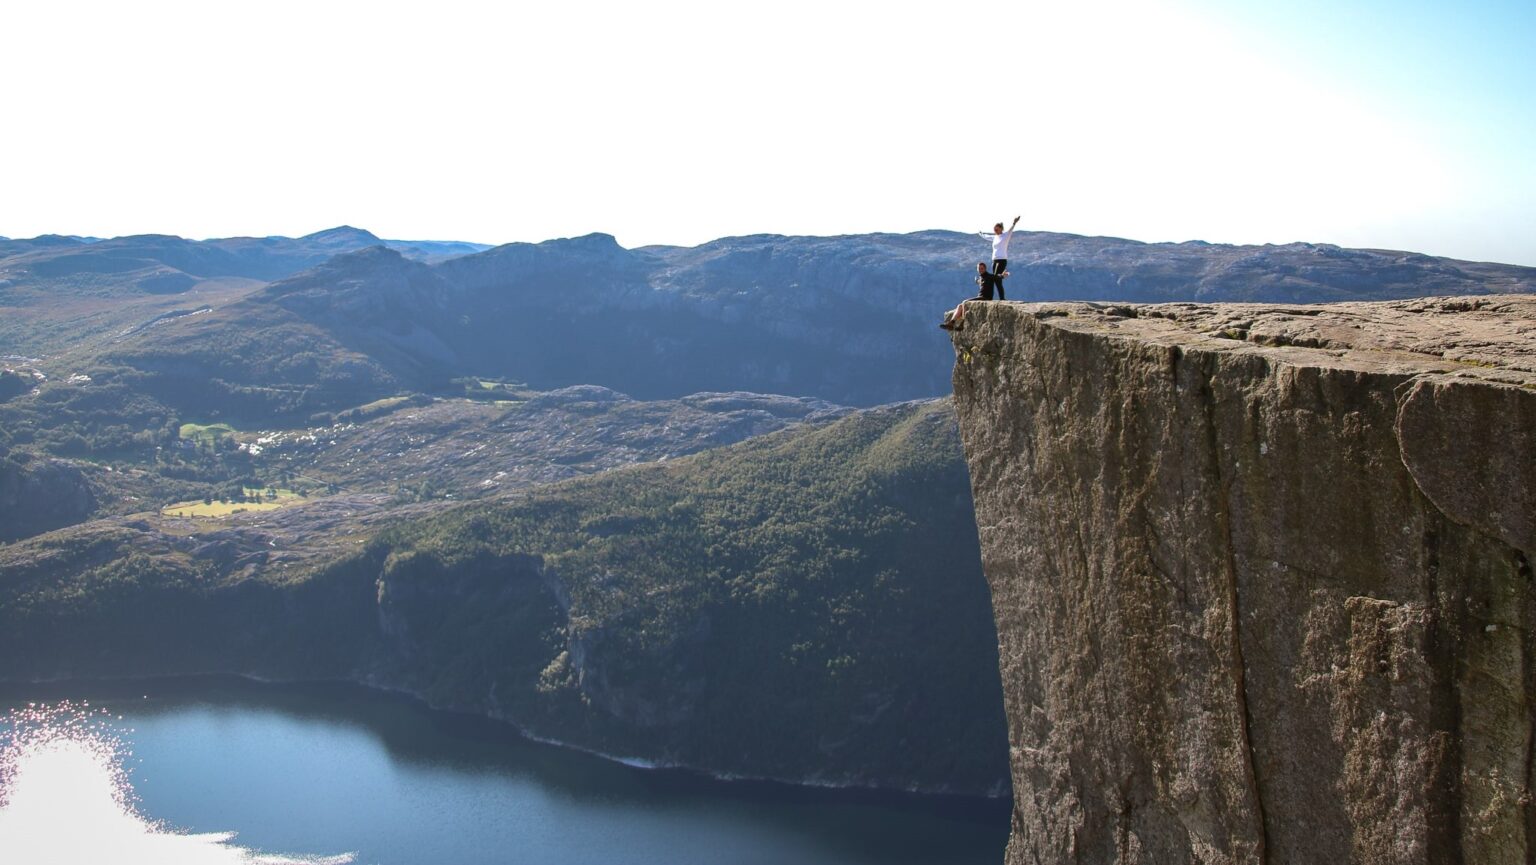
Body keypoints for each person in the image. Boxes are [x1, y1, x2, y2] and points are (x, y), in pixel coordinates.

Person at [940, 263, 1009, 330]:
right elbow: (979, 281)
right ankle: (951, 323)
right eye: (978, 268)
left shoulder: (989, 276)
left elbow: (997, 277)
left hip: (985, 297)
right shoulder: (981, 277)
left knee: (965, 302)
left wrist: (1002, 275)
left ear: (985, 269)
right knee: (960, 306)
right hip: (980, 297)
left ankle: (962, 323)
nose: (980, 270)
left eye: (982, 268)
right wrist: (976, 280)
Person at [977, 215, 1021, 281]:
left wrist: (1014, 223)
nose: (995, 231)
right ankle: (1003, 276)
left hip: (1001, 259)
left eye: (996, 230)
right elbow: (987, 236)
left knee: (996, 278)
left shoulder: (1005, 236)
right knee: (996, 279)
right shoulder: (995, 237)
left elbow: (1010, 230)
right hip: (995, 260)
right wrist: (980, 233)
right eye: (994, 230)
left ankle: (1003, 275)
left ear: (1001, 229)